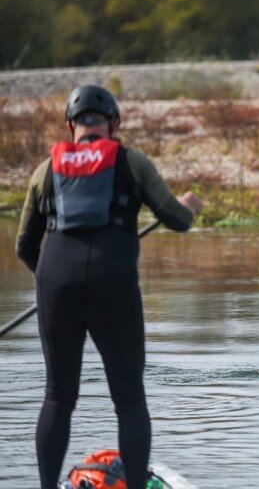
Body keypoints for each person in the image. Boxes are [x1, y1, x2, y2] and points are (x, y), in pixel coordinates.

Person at [15, 84, 204, 489]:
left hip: (56, 283)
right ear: (113, 125)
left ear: (70, 127)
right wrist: (190, 205)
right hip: (113, 282)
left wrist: (55, 289)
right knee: (129, 397)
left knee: (57, 397)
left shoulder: (44, 170)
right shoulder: (131, 162)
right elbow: (176, 219)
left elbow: (24, 246)